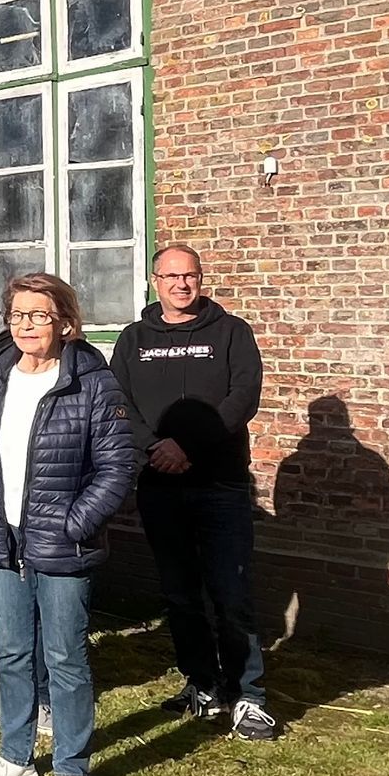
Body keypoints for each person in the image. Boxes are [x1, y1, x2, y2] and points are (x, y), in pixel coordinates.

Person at [0, 273, 135, 776]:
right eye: (18, 315)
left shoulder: (92, 383)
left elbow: (117, 467)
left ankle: (72, 770)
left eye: (39, 315)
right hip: (1, 541)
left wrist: (75, 524)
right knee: (12, 653)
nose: (26, 325)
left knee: (65, 657)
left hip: (63, 546)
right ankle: (15, 758)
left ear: (65, 322)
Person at [111, 243, 276, 743]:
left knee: (231, 594)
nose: (181, 284)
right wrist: (154, 447)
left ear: (201, 280)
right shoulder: (134, 339)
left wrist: (187, 445)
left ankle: (249, 696)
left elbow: (242, 398)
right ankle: (202, 683)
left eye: (190, 276)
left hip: (220, 484)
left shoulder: (231, 333)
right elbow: (119, 402)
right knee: (180, 595)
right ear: (154, 281)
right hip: (160, 486)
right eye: (171, 276)